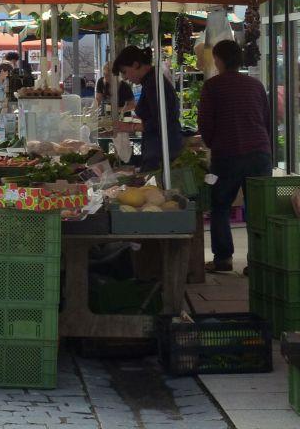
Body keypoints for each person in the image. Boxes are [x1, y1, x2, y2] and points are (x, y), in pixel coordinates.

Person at [198, 40, 272, 272]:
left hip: (227, 154)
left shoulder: (212, 86)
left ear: (218, 60)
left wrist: (213, 145)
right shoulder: (255, 85)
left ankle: (223, 259)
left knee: (220, 206)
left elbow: (205, 124)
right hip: (259, 153)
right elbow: (266, 119)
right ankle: (258, 262)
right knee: (258, 208)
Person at [113, 45, 183, 171]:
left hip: (161, 150)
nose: (125, 78)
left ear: (135, 65)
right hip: (161, 146)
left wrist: (130, 127)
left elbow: (161, 120)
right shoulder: (151, 80)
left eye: (125, 72)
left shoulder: (152, 83)